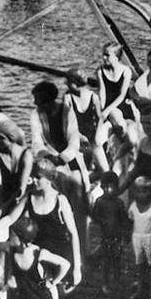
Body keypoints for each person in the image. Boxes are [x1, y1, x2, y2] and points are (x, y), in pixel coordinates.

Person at [29, 80, 89, 256]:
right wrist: (49, 158)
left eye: (39, 100)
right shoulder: (36, 114)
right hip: (48, 159)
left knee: (78, 201)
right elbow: (36, 142)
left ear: (49, 100)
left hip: (69, 158)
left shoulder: (66, 111)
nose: (36, 104)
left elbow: (74, 140)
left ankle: (82, 251)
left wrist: (62, 158)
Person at [88, 172, 125, 293]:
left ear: (116, 187)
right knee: (106, 261)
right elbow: (94, 216)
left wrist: (125, 234)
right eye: (105, 187)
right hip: (105, 236)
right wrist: (101, 221)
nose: (108, 190)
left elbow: (123, 219)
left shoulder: (119, 203)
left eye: (111, 187)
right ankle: (105, 283)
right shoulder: (99, 201)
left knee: (117, 261)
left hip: (117, 236)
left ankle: (117, 281)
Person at [128, 176, 151, 299]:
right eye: (139, 191)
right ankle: (140, 289)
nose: (142, 194)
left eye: (145, 191)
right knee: (139, 264)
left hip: (150, 238)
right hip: (137, 237)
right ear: (134, 192)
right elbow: (131, 221)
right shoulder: (132, 206)